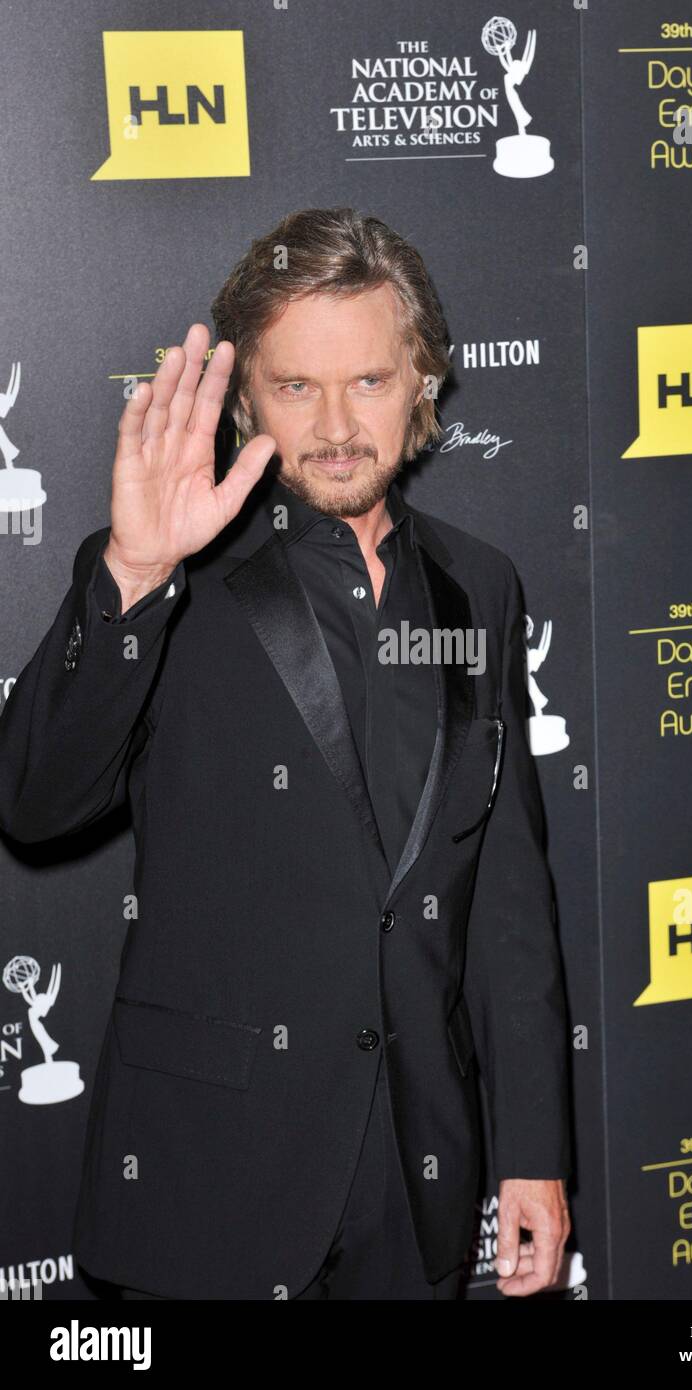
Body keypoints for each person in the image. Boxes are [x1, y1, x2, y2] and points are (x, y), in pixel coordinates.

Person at [0, 207, 572, 1300]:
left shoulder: (477, 589)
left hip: (417, 1187)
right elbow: (32, 801)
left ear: (425, 387)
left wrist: (533, 1151)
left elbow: (505, 895)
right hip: (213, 1187)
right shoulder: (175, 574)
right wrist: (129, 574)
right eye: (296, 387)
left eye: (369, 380)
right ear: (244, 401)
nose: (338, 425)